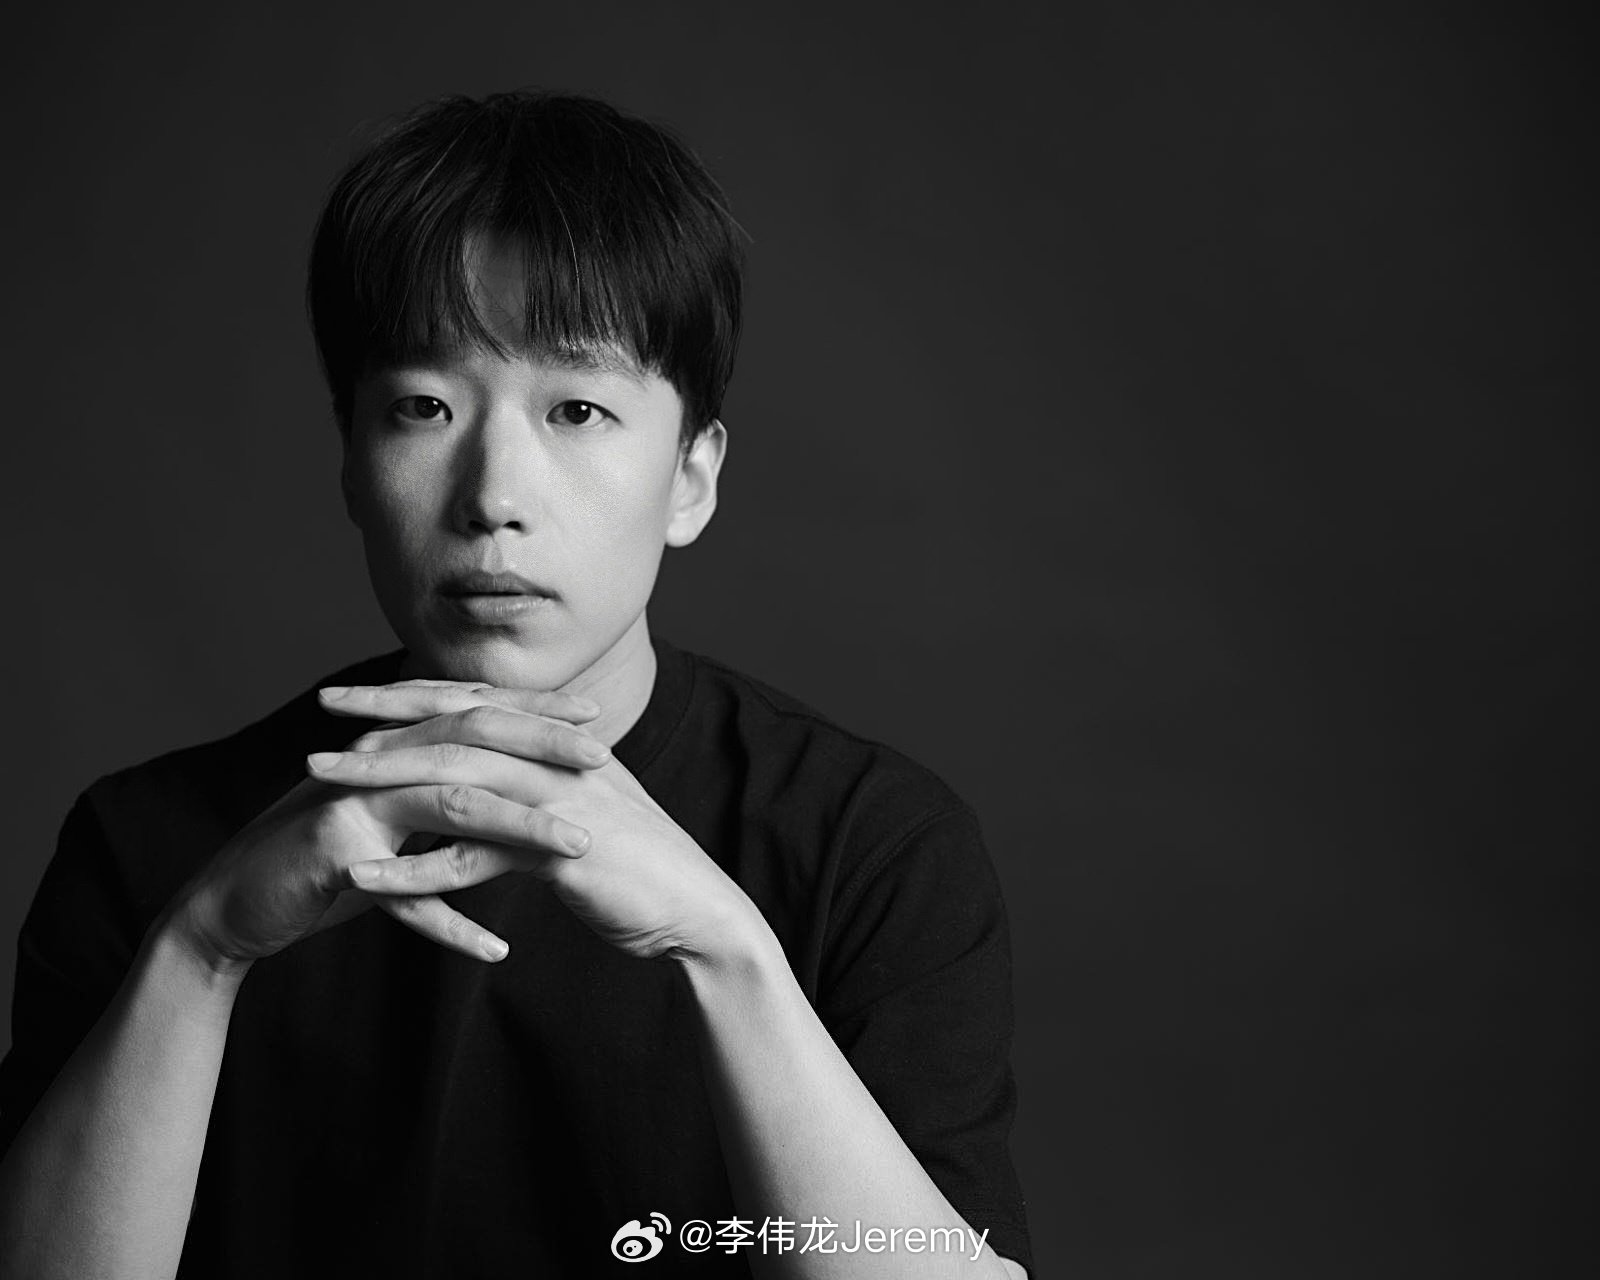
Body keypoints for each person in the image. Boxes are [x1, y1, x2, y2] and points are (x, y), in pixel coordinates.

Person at [0, 91, 1032, 1278]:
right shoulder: (147, 843)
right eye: (425, 407)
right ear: (350, 461)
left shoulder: (872, 848)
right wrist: (201, 948)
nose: (493, 495)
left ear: (690, 478)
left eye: (578, 408)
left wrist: (724, 949)